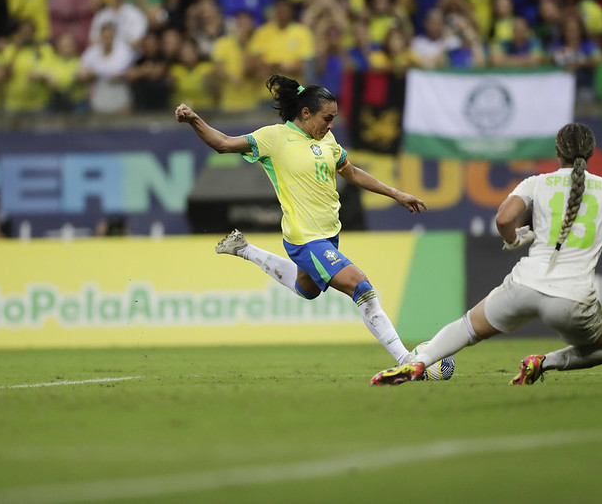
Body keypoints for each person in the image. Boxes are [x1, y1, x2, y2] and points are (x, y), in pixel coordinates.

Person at [370, 122, 602, 386]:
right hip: (572, 298)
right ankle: (544, 362)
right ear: (590, 152)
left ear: (557, 152)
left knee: (467, 327)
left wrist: (514, 238)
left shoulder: (536, 183)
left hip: (525, 283)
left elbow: (503, 218)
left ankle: (416, 363)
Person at [175, 74, 428, 365]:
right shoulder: (274, 138)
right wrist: (194, 119)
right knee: (362, 288)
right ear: (306, 113)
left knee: (306, 290)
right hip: (304, 238)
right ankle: (407, 361)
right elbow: (223, 143)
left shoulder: (328, 141)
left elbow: (352, 173)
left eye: (333, 119)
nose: (331, 125)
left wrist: (395, 193)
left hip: (329, 234)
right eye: (327, 118)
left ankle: (245, 249)